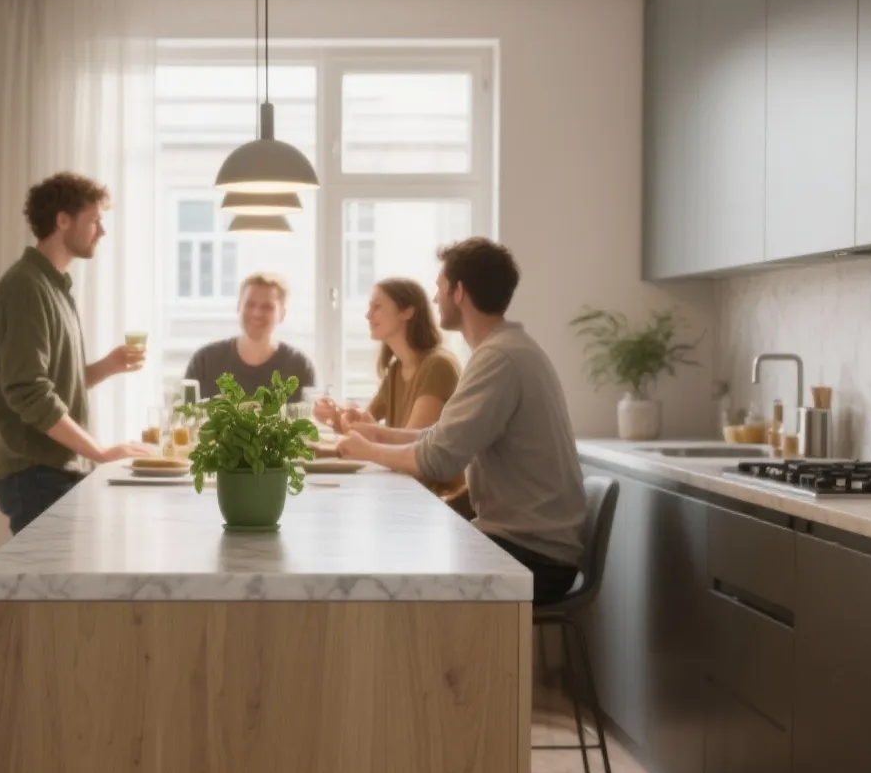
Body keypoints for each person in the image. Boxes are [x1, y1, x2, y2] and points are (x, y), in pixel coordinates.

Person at [337, 238, 588, 601]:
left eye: (439, 286)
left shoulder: (499, 359)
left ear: (459, 292)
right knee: (397, 548)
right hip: (529, 547)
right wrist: (376, 433)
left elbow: (438, 459)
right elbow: (441, 436)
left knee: (392, 562)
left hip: (533, 558)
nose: (435, 297)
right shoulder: (505, 349)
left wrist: (365, 449)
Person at [0, 172, 151, 534]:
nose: (102, 231)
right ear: (63, 220)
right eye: (95, 220)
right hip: (35, 474)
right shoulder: (26, 288)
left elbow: (52, 386)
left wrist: (108, 366)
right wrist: (101, 453)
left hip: (51, 472)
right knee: (50, 590)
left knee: (64, 588)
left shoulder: (54, 287)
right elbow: (30, 393)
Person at [313, 278, 464, 494]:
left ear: (407, 312)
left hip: (437, 497)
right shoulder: (395, 370)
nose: (368, 315)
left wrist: (369, 432)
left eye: (377, 306)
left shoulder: (437, 365)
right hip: (407, 489)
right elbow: (367, 432)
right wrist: (336, 416)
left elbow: (413, 449)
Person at [184, 273, 317, 402]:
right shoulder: (204, 361)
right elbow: (183, 419)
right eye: (250, 304)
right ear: (238, 307)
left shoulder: (300, 367)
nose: (257, 313)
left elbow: (310, 420)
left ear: (282, 314)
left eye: (267, 307)